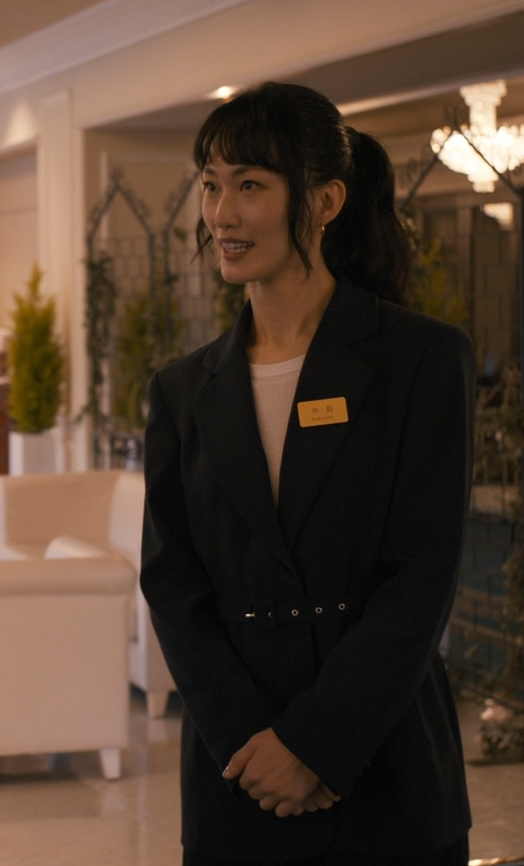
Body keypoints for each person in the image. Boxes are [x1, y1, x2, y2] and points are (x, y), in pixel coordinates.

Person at [142, 83, 474, 865]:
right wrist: (253, 745)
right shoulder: (183, 389)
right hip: (240, 777)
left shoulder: (421, 360)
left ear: (325, 201)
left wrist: (315, 745)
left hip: (385, 767)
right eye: (211, 185)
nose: (222, 214)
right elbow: (174, 585)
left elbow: (420, 577)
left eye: (251, 185)